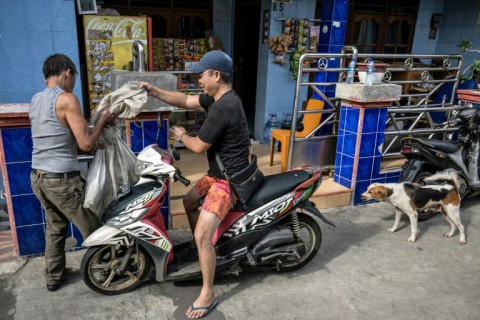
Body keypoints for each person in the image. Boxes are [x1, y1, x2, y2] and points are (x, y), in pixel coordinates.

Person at [139, 50, 250, 319]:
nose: (199, 79)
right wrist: (154, 91)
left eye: (202, 74)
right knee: (189, 201)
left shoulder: (223, 108)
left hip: (229, 181)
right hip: (217, 174)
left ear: (216, 75)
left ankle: (208, 292)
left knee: (202, 234)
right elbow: (185, 99)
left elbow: (199, 146)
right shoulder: (217, 99)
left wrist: (182, 134)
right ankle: (203, 248)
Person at [29, 53, 114, 292]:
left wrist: (92, 137)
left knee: (55, 228)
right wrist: (102, 121)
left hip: (39, 178)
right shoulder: (67, 99)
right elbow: (85, 144)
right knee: (95, 227)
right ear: (68, 73)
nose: (74, 83)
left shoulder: (36, 99)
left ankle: (54, 276)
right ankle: (109, 270)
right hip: (62, 181)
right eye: (74, 78)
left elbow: (63, 137)